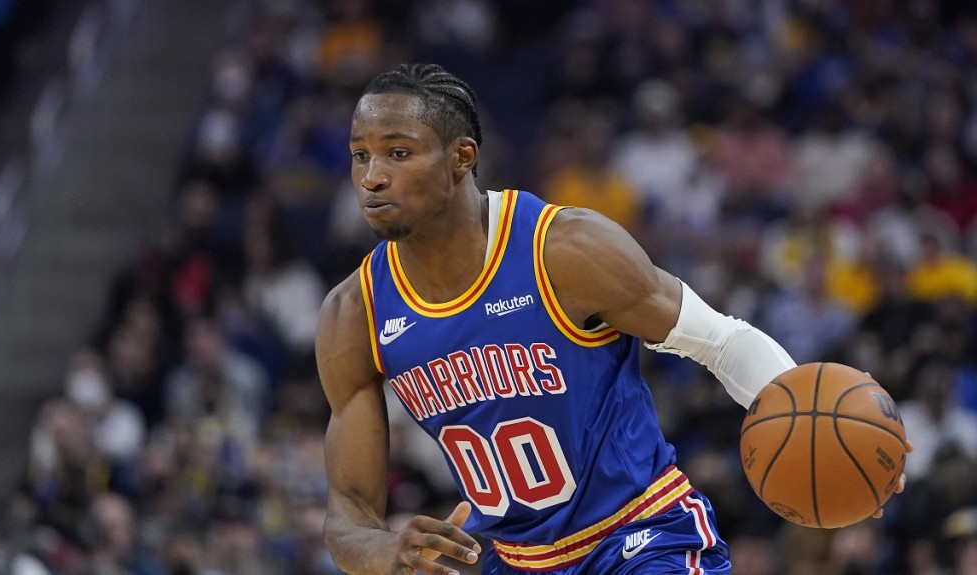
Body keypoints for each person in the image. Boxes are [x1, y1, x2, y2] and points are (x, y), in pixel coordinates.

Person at [315, 63, 910, 575]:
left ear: (461, 157)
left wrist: (821, 434)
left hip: (639, 537)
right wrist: (378, 550)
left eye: (398, 153)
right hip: (513, 559)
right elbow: (347, 508)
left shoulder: (562, 249)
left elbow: (723, 343)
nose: (371, 177)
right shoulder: (354, 312)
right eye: (359, 156)